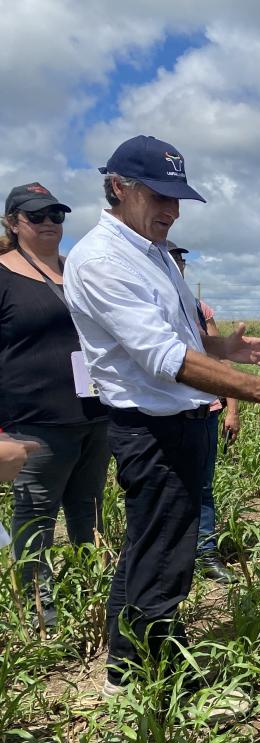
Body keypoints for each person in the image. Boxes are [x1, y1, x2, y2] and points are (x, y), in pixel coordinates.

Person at [64, 135, 260, 695]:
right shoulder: (102, 261)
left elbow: (181, 336)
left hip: (184, 422)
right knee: (164, 557)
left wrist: (223, 348)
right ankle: (157, 687)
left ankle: (124, 669)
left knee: (150, 545)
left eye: (178, 198)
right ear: (117, 188)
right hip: (153, 431)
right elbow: (161, 358)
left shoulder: (152, 252)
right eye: (158, 195)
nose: (171, 210)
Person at [1, 182, 111, 631]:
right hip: (33, 425)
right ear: (13, 223)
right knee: (35, 523)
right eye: (37, 216)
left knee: (90, 513)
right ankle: (39, 616)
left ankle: (92, 600)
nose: (49, 223)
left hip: (93, 415)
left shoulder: (78, 271)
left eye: (56, 215)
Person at [167, 241, 239, 584]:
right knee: (166, 486)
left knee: (204, 485)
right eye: (170, 256)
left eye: (180, 257)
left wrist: (232, 408)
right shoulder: (143, 302)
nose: (177, 262)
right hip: (164, 412)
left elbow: (220, 361)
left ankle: (205, 552)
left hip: (206, 410)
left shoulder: (199, 309)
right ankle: (171, 555)